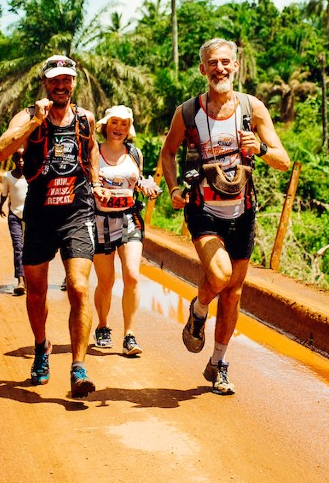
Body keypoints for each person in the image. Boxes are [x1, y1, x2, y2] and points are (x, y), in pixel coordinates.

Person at [159, 38, 291, 395]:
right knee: (220, 274)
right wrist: (173, 189)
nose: (220, 69)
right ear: (203, 69)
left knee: (233, 292)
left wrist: (260, 149)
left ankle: (218, 363)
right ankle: (200, 308)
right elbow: (167, 154)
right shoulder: (188, 112)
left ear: (236, 66)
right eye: (213, 63)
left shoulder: (253, 108)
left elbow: (284, 159)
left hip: (242, 211)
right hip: (203, 208)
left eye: (226, 62)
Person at [0, 54, 110, 399]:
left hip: (77, 212)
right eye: (55, 80)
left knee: (77, 286)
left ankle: (78, 367)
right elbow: (0, 151)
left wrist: (97, 183)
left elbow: (89, 157)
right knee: (37, 291)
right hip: (39, 215)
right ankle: (42, 346)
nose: (61, 86)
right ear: (45, 82)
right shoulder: (28, 115)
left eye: (67, 80)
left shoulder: (86, 119)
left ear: (74, 83)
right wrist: (33, 122)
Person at [91, 105, 160, 356]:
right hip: (100, 221)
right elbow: (86, 183)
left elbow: (138, 180)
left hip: (129, 218)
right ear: (105, 125)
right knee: (106, 281)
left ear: (128, 128)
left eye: (123, 123)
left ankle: (129, 335)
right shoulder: (93, 153)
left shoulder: (135, 153)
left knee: (132, 275)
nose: (118, 128)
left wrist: (146, 186)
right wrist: (96, 191)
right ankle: (102, 325)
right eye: (114, 123)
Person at [0, 147, 28, 296]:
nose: (21, 162)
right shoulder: (8, 176)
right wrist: (1, 206)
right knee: (18, 246)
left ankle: (31, 278)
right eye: (18, 159)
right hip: (14, 215)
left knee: (30, 248)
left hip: (31, 216)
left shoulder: (33, 176)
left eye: (23, 158)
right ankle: (21, 280)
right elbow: (4, 194)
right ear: (14, 161)